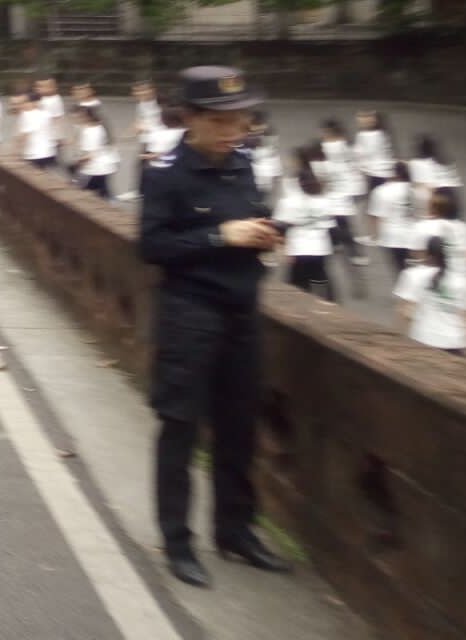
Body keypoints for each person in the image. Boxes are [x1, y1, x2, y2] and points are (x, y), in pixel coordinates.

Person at [137, 66, 290, 590]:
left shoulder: (242, 165)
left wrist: (264, 233)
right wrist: (220, 236)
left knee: (238, 426)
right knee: (180, 427)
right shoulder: (165, 173)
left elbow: (250, 217)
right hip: (189, 314)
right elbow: (152, 246)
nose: (234, 131)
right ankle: (177, 541)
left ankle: (235, 530)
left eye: (241, 120)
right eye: (221, 121)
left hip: (241, 312)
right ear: (190, 119)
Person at [394, 235, 466, 357]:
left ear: (427, 253)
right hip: (454, 342)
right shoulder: (463, 281)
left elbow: (405, 312)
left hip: (423, 339)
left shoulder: (413, 275)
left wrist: (399, 340)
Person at [274, 164, 336, 300]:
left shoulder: (288, 203)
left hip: (298, 249)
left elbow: (280, 228)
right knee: (320, 279)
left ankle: (299, 306)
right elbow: (331, 227)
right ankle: (328, 303)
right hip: (320, 248)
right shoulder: (326, 202)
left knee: (298, 284)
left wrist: (282, 249)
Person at [315, 120, 367, 280]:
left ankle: (354, 252)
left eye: (324, 131)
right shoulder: (346, 145)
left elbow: (323, 169)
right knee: (339, 221)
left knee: (341, 222)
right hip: (345, 187)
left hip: (336, 189)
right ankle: (337, 243)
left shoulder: (329, 147)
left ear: (330, 132)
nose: (322, 134)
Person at [367, 160, 421, 278]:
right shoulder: (417, 190)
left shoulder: (381, 191)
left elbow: (376, 216)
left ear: (394, 173)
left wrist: (375, 235)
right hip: (415, 235)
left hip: (393, 237)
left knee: (401, 270)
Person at [75, 100, 118, 200]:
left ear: (86, 117)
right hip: (105, 167)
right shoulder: (100, 127)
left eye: (79, 116)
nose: (77, 119)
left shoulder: (89, 132)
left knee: (81, 194)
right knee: (102, 193)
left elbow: (90, 155)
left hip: (94, 169)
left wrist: (79, 162)